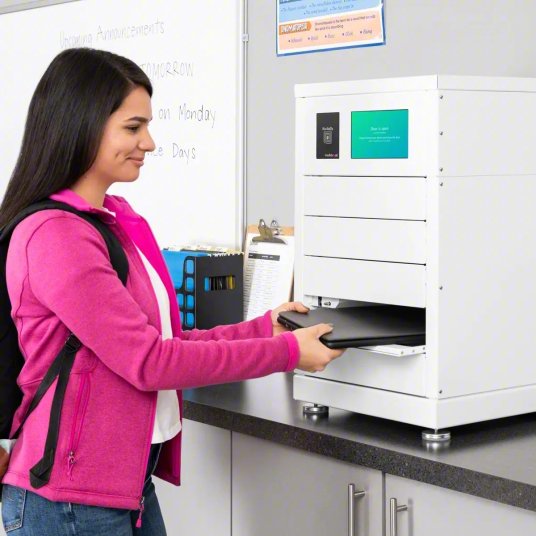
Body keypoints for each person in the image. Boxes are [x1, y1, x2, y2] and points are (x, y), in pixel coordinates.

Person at [0, 48, 343, 535]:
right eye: (133, 127)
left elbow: (167, 343)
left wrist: (262, 329)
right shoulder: (57, 236)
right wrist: (286, 352)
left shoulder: (113, 222)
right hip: (68, 502)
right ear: (82, 124)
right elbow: (150, 363)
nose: (149, 142)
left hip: (124, 488)